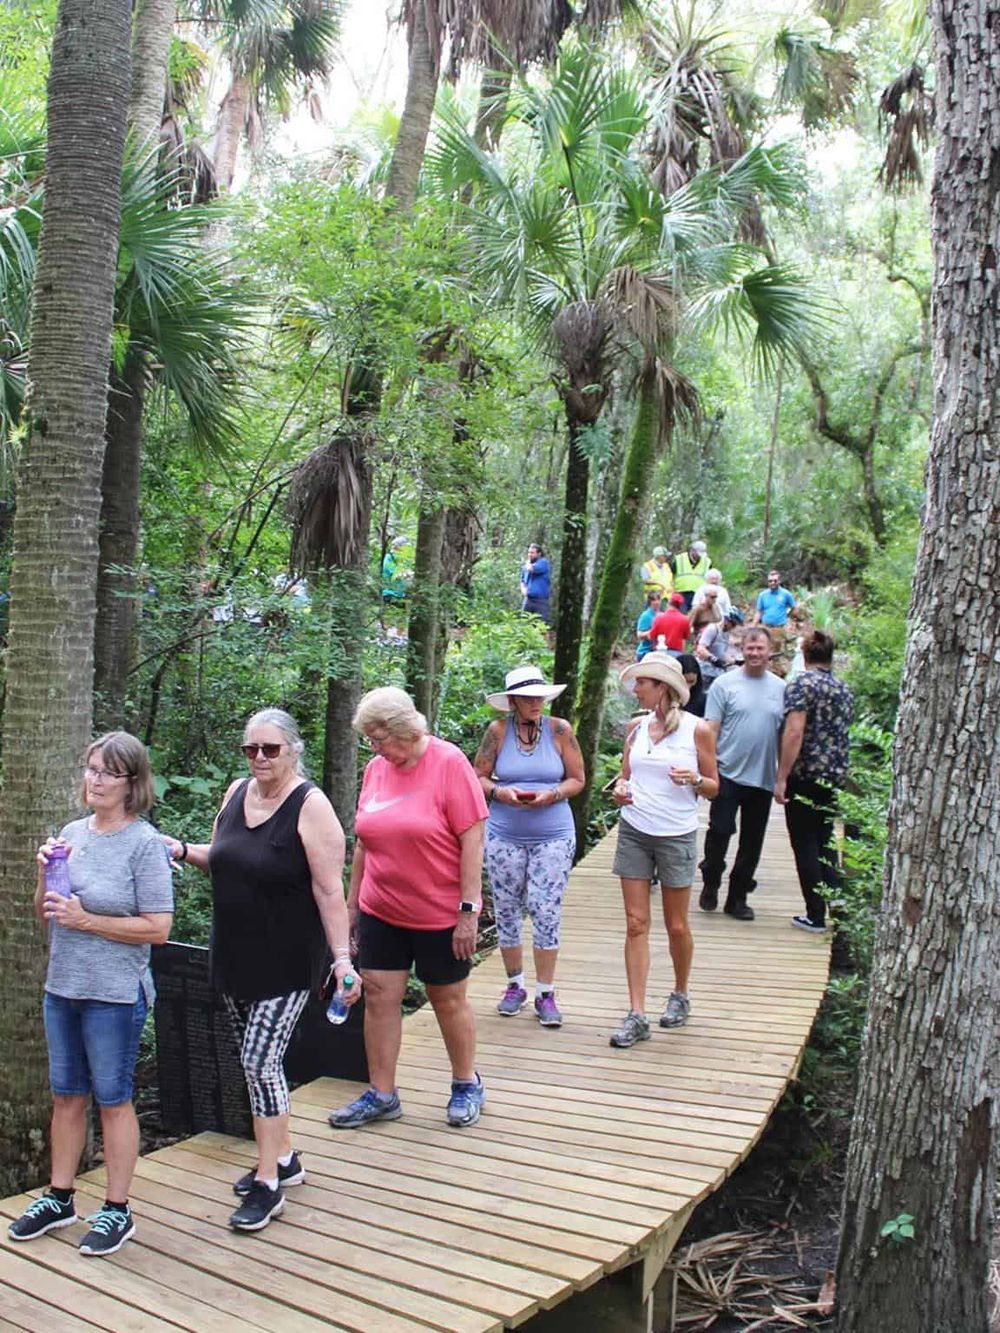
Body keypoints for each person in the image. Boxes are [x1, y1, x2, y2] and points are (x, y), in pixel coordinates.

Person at [161, 709, 356, 1233]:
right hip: (234, 954)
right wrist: (180, 849)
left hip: (289, 960)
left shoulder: (311, 807)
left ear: (293, 750)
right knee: (255, 1064)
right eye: (251, 750)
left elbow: (329, 889)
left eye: (270, 749)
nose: (260, 759)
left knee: (259, 1062)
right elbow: (224, 858)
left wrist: (342, 961)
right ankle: (286, 1157)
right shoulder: (234, 793)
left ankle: (268, 1182)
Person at [8, 733, 173, 1257]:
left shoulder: (144, 843)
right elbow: (48, 913)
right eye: (90, 769)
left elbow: (159, 928)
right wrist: (44, 875)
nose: (94, 780)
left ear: (132, 784)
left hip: (115, 995)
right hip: (63, 986)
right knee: (65, 1096)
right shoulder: (72, 833)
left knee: (114, 1100)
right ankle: (60, 1198)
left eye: (107, 773)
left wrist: (90, 920)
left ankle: (118, 1209)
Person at [329, 687, 489, 1131]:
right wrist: (353, 903)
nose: (374, 749)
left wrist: (468, 911)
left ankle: (464, 1083)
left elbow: (472, 839)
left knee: (446, 997)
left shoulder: (448, 763)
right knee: (380, 996)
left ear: (399, 729)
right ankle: (382, 1093)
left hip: (439, 910)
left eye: (377, 739)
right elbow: (365, 840)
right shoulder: (377, 770)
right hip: (383, 906)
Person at [608, 654, 719, 1047]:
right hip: (635, 830)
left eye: (642, 682)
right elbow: (625, 778)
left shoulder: (697, 730)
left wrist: (695, 778)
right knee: (636, 923)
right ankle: (636, 1014)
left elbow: (713, 786)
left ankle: (680, 993)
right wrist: (621, 791)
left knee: (676, 925)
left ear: (662, 688)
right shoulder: (636, 728)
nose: (635, 688)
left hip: (676, 835)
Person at [475, 667, 585, 1027]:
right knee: (507, 907)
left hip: (552, 830)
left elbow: (577, 779)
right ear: (513, 702)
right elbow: (478, 776)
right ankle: (514, 985)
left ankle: (546, 991)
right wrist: (499, 792)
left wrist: (551, 794)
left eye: (540, 695)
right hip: (505, 831)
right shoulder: (498, 732)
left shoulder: (560, 730)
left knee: (544, 907)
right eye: (528, 697)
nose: (536, 702)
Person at [698, 627, 786, 921]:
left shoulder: (781, 688)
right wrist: (708, 770)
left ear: (770, 650)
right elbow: (710, 729)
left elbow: (787, 732)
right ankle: (711, 880)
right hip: (727, 771)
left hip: (762, 775)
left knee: (752, 840)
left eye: (760, 648)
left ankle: (737, 898)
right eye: (750, 648)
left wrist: (783, 775)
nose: (755, 653)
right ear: (742, 650)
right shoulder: (724, 685)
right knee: (720, 830)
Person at [774, 631, 855, 933]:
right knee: (825, 836)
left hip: (806, 773)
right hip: (835, 774)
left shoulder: (801, 685)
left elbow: (795, 731)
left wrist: (782, 776)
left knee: (804, 841)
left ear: (805, 655)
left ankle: (815, 913)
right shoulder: (843, 689)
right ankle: (836, 899)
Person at [695, 607, 743, 690]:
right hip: (705, 669)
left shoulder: (726, 635)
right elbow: (701, 648)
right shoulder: (713, 629)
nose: (733, 627)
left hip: (716, 671)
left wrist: (735, 661)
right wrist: (713, 659)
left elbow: (722, 653)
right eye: (733, 624)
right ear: (727, 621)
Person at [671, 540, 710, 611]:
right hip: (681, 593)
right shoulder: (679, 559)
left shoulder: (707, 562)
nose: (699, 556)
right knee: (683, 616)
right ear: (692, 550)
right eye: (698, 553)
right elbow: (670, 575)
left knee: (696, 617)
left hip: (699, 594)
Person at [520, 543, 551, 624]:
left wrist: (527, 563)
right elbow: (522, 580)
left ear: (539, 553)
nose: (530, 555)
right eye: (529, 552)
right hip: (528, 599)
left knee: (543, 625)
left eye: (532, 553)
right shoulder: (525, 567)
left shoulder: (543, 563)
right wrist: (523, 590)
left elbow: (532, 569)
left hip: (540, 601)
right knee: (524, 623)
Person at [381, 537, 409, 604]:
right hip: (390, 595)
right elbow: (396, 573)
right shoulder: (389, 558)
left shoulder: (401, 559)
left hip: (401, 595)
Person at [635, 591, 662, 659]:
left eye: (658, 599)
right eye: (654, 600)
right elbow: (639, 635)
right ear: (650, 602)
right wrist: (652, 632)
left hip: (660, 651)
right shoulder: (646, 615)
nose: (656, 602)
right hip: (646, 652)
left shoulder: (662, 615)